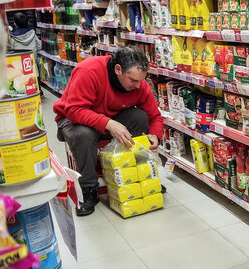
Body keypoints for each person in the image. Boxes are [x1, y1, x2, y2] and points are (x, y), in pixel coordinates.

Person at [54, 46, 163, 216]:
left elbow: (154, 116)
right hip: (74, 120)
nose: (138, 85)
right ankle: (89, 189)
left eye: (141, 80)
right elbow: (73, 110)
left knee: (139, 117)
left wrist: (155, 135)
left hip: (109, 118)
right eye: (133, 80)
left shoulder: (139, 85)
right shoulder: (89, 71)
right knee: (84, 134)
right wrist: (109, 123)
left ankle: (140, 175)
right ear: (118, 69)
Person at [8, 12, 43, 94]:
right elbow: (39, 45)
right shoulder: (32, 33)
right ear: (27, 22)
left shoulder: (13, 37)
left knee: (21, 85)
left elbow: (11, 50)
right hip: (31, 62)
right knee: (35, 76)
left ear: (15, 24)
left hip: (19, 66)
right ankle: (38, 90)